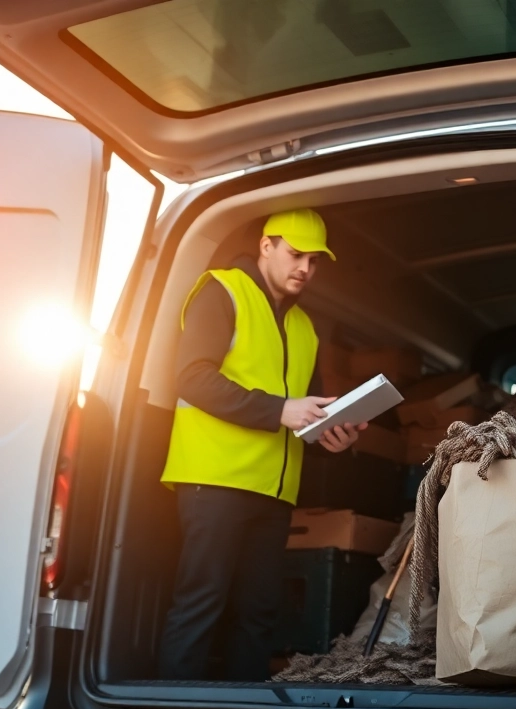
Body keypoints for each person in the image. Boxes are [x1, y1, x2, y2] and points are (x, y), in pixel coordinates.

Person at [157, 208, 366, 681]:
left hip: (273, 492)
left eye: (314, 261)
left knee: (259, 613)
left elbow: (300, 411)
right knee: (200, 604)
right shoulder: (223, 289)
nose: (305, 270)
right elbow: (192, 378)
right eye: (296, 255)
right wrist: (280, 410)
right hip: (212, 479)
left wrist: (329, 435)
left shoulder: (306, 328)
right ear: (266, 247)